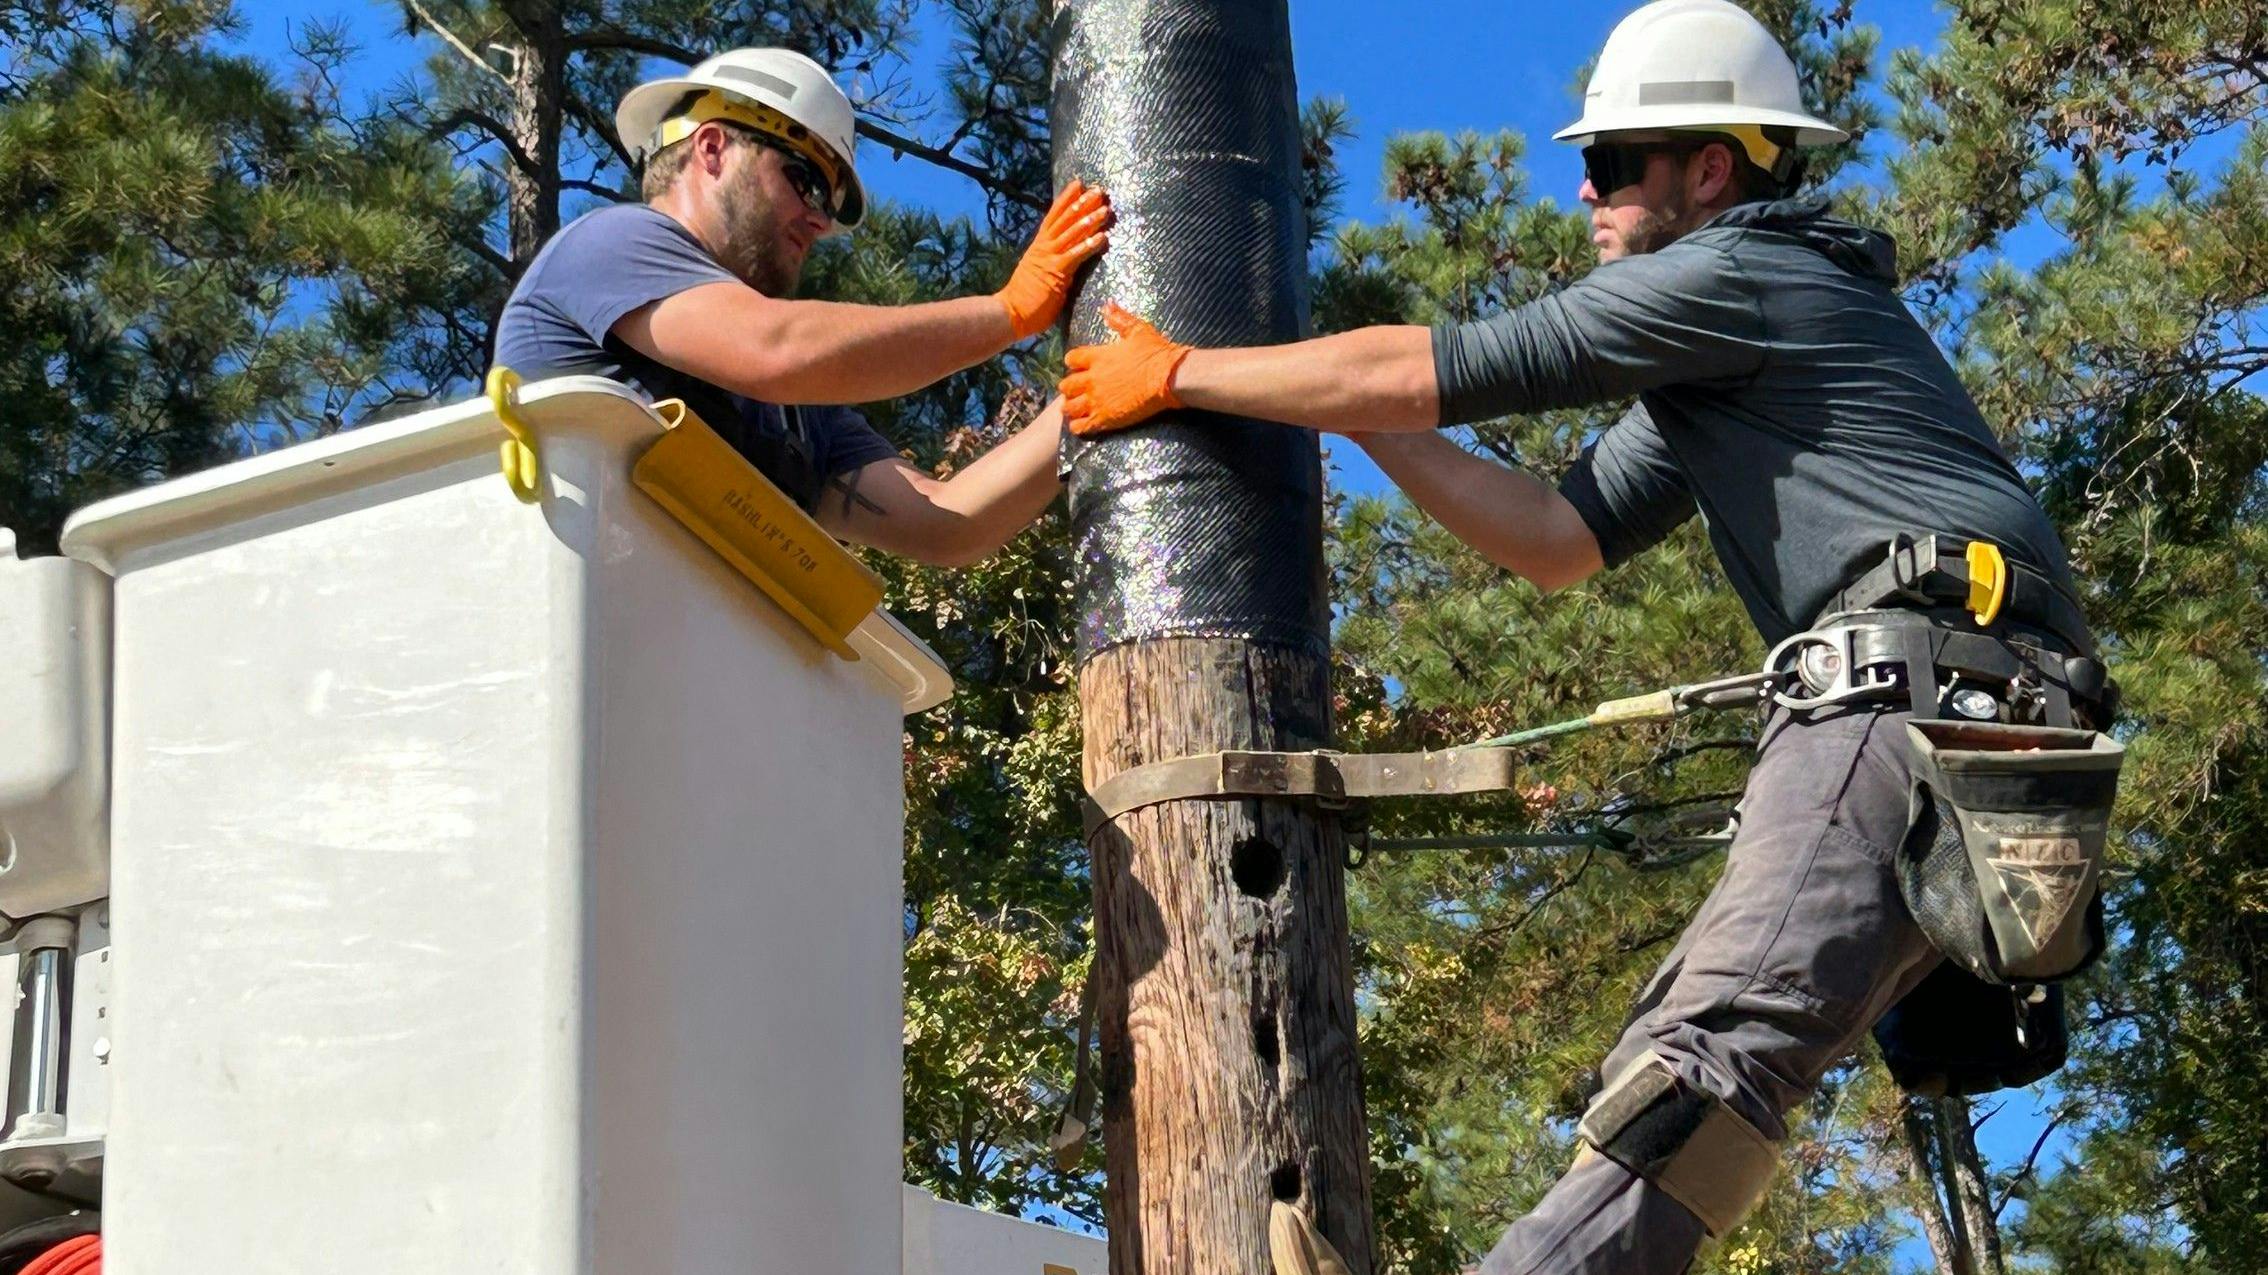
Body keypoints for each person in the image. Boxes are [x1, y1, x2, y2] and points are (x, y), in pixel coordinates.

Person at [1059, 2, 2108, 1271]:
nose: (1586, 190)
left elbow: (1474, 360)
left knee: (1703, 1070)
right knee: (1697, 1092)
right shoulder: (1721, 365)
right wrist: (1346, 412)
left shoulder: (1745, 276)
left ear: (1708, 169)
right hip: (1966, 721)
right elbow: (1556, 539)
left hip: (1908, 706)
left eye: (1614, 164)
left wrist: (1181, 377)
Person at [495, 47, 1110, 568]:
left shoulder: (796, 419)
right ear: (712, 148)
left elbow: (946, 525)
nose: (819, 220)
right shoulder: (612, 244)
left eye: (832, 203)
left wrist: (1092, 401)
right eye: (807, 180)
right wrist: (1009, 313)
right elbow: (777, 348)